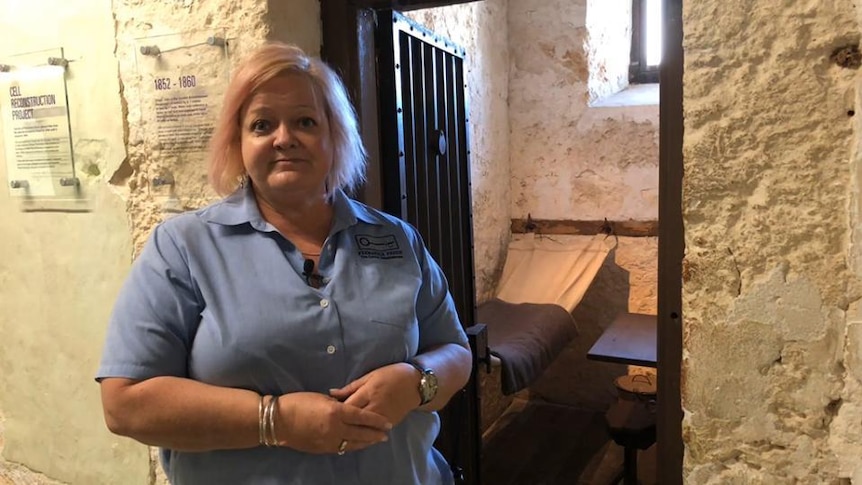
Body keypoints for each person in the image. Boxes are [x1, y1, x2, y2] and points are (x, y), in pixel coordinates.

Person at [97, 41, 473, 485]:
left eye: (305, 121)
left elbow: (456, 352)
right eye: (261, 124)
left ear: (335, 135)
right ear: (238, 143)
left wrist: (416, 381)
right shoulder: (182, 247)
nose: (284, 137)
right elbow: (126, 403)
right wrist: (274, 420)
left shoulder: (395, 238)